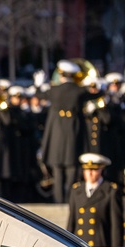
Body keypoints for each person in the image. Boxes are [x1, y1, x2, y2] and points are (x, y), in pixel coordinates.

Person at [39, 60, 104, 203]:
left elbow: (40, 95)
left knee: (57, 173)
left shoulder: (54, 90)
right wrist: (100, 87)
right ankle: (69, 201)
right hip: (73, 135)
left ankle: (58, 201)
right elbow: (97, 94)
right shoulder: (79, 91)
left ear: (61, 74)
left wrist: (39, 85)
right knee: (72, 172)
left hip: (56, 136)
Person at [68, 152, 122, 247]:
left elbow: (116, 226)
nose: (90, 173)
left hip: (100, 246)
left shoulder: (110, 191)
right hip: (80, 246)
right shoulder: (76, 190)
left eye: (94, 169)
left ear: (101, 170)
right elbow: (71, 222)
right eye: (87, 169)